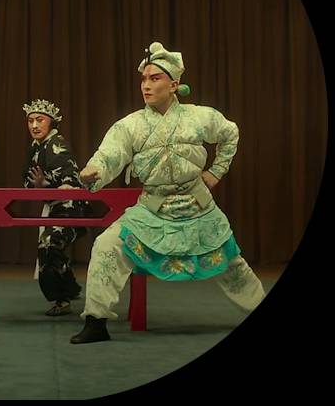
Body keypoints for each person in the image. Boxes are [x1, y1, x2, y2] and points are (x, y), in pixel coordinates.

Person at [70, 42, 266, 344]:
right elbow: (110, 154)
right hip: (152, 209)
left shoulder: (199, 117)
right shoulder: (130, 125)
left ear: (174, 85)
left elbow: (230, 133)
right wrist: (94, 170)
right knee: (107, 245)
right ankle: (96, 321)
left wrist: (216, 171)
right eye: (143, 79)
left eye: (155, 78)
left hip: (198, 206)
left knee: (232, 263)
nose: (146, 86)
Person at [22, 98, 88, 316]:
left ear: (51, 122)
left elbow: (71, 180)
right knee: (49, 248)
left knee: (49, 246)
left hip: (70, 206)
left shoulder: (57, 145)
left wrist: (47, 184)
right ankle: (67, 292)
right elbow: (29, 181)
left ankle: (64, 296)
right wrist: (40, 185)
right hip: (54, 206)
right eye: (30, 120)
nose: (34, 125)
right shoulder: (35, 148)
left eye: (40, 120)